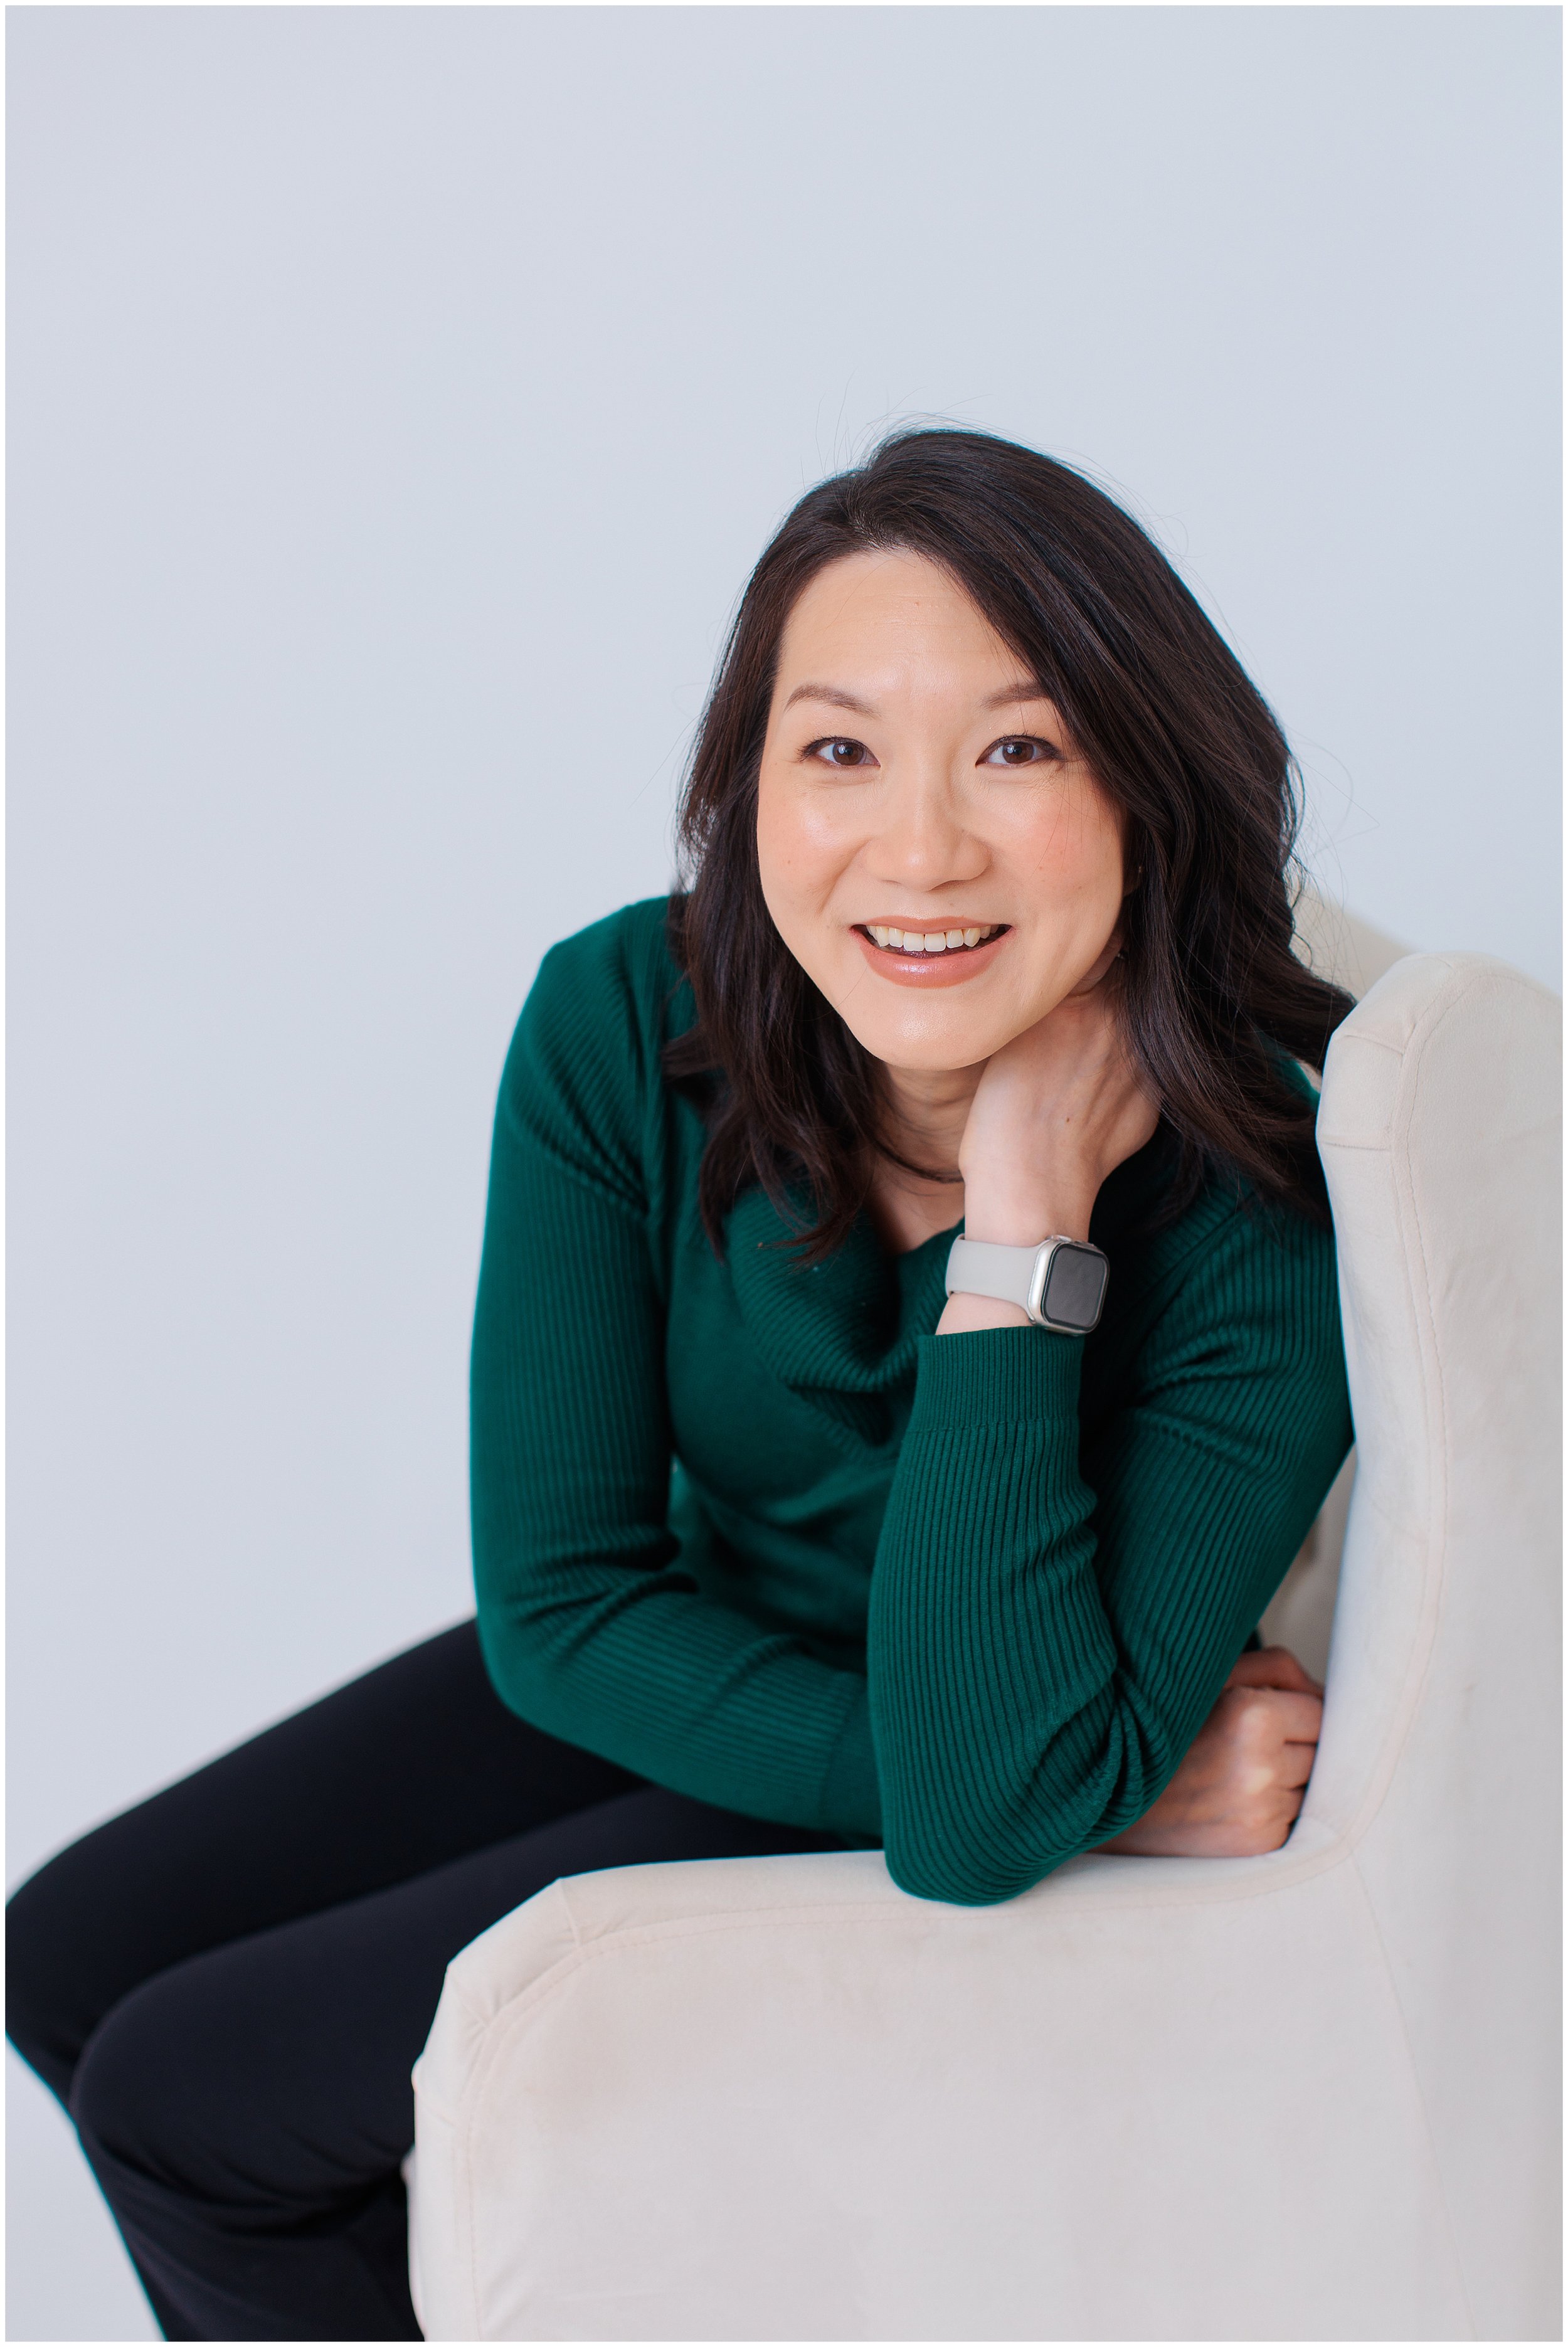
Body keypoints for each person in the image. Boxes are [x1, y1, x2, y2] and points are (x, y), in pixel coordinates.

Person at [7, 428, 1353, 2342]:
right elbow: (561, 1608)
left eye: (1018, 747)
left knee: (190, 2104)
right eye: (838, 749)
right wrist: (1097, 1796)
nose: (918, 849)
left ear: (1147, 788)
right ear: (746, 787)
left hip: (969, 1729)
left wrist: (1025, 1224)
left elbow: (980, 1820)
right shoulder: (624, 1015)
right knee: (65, 1959)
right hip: (806, 1698)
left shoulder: (1259, 1211)